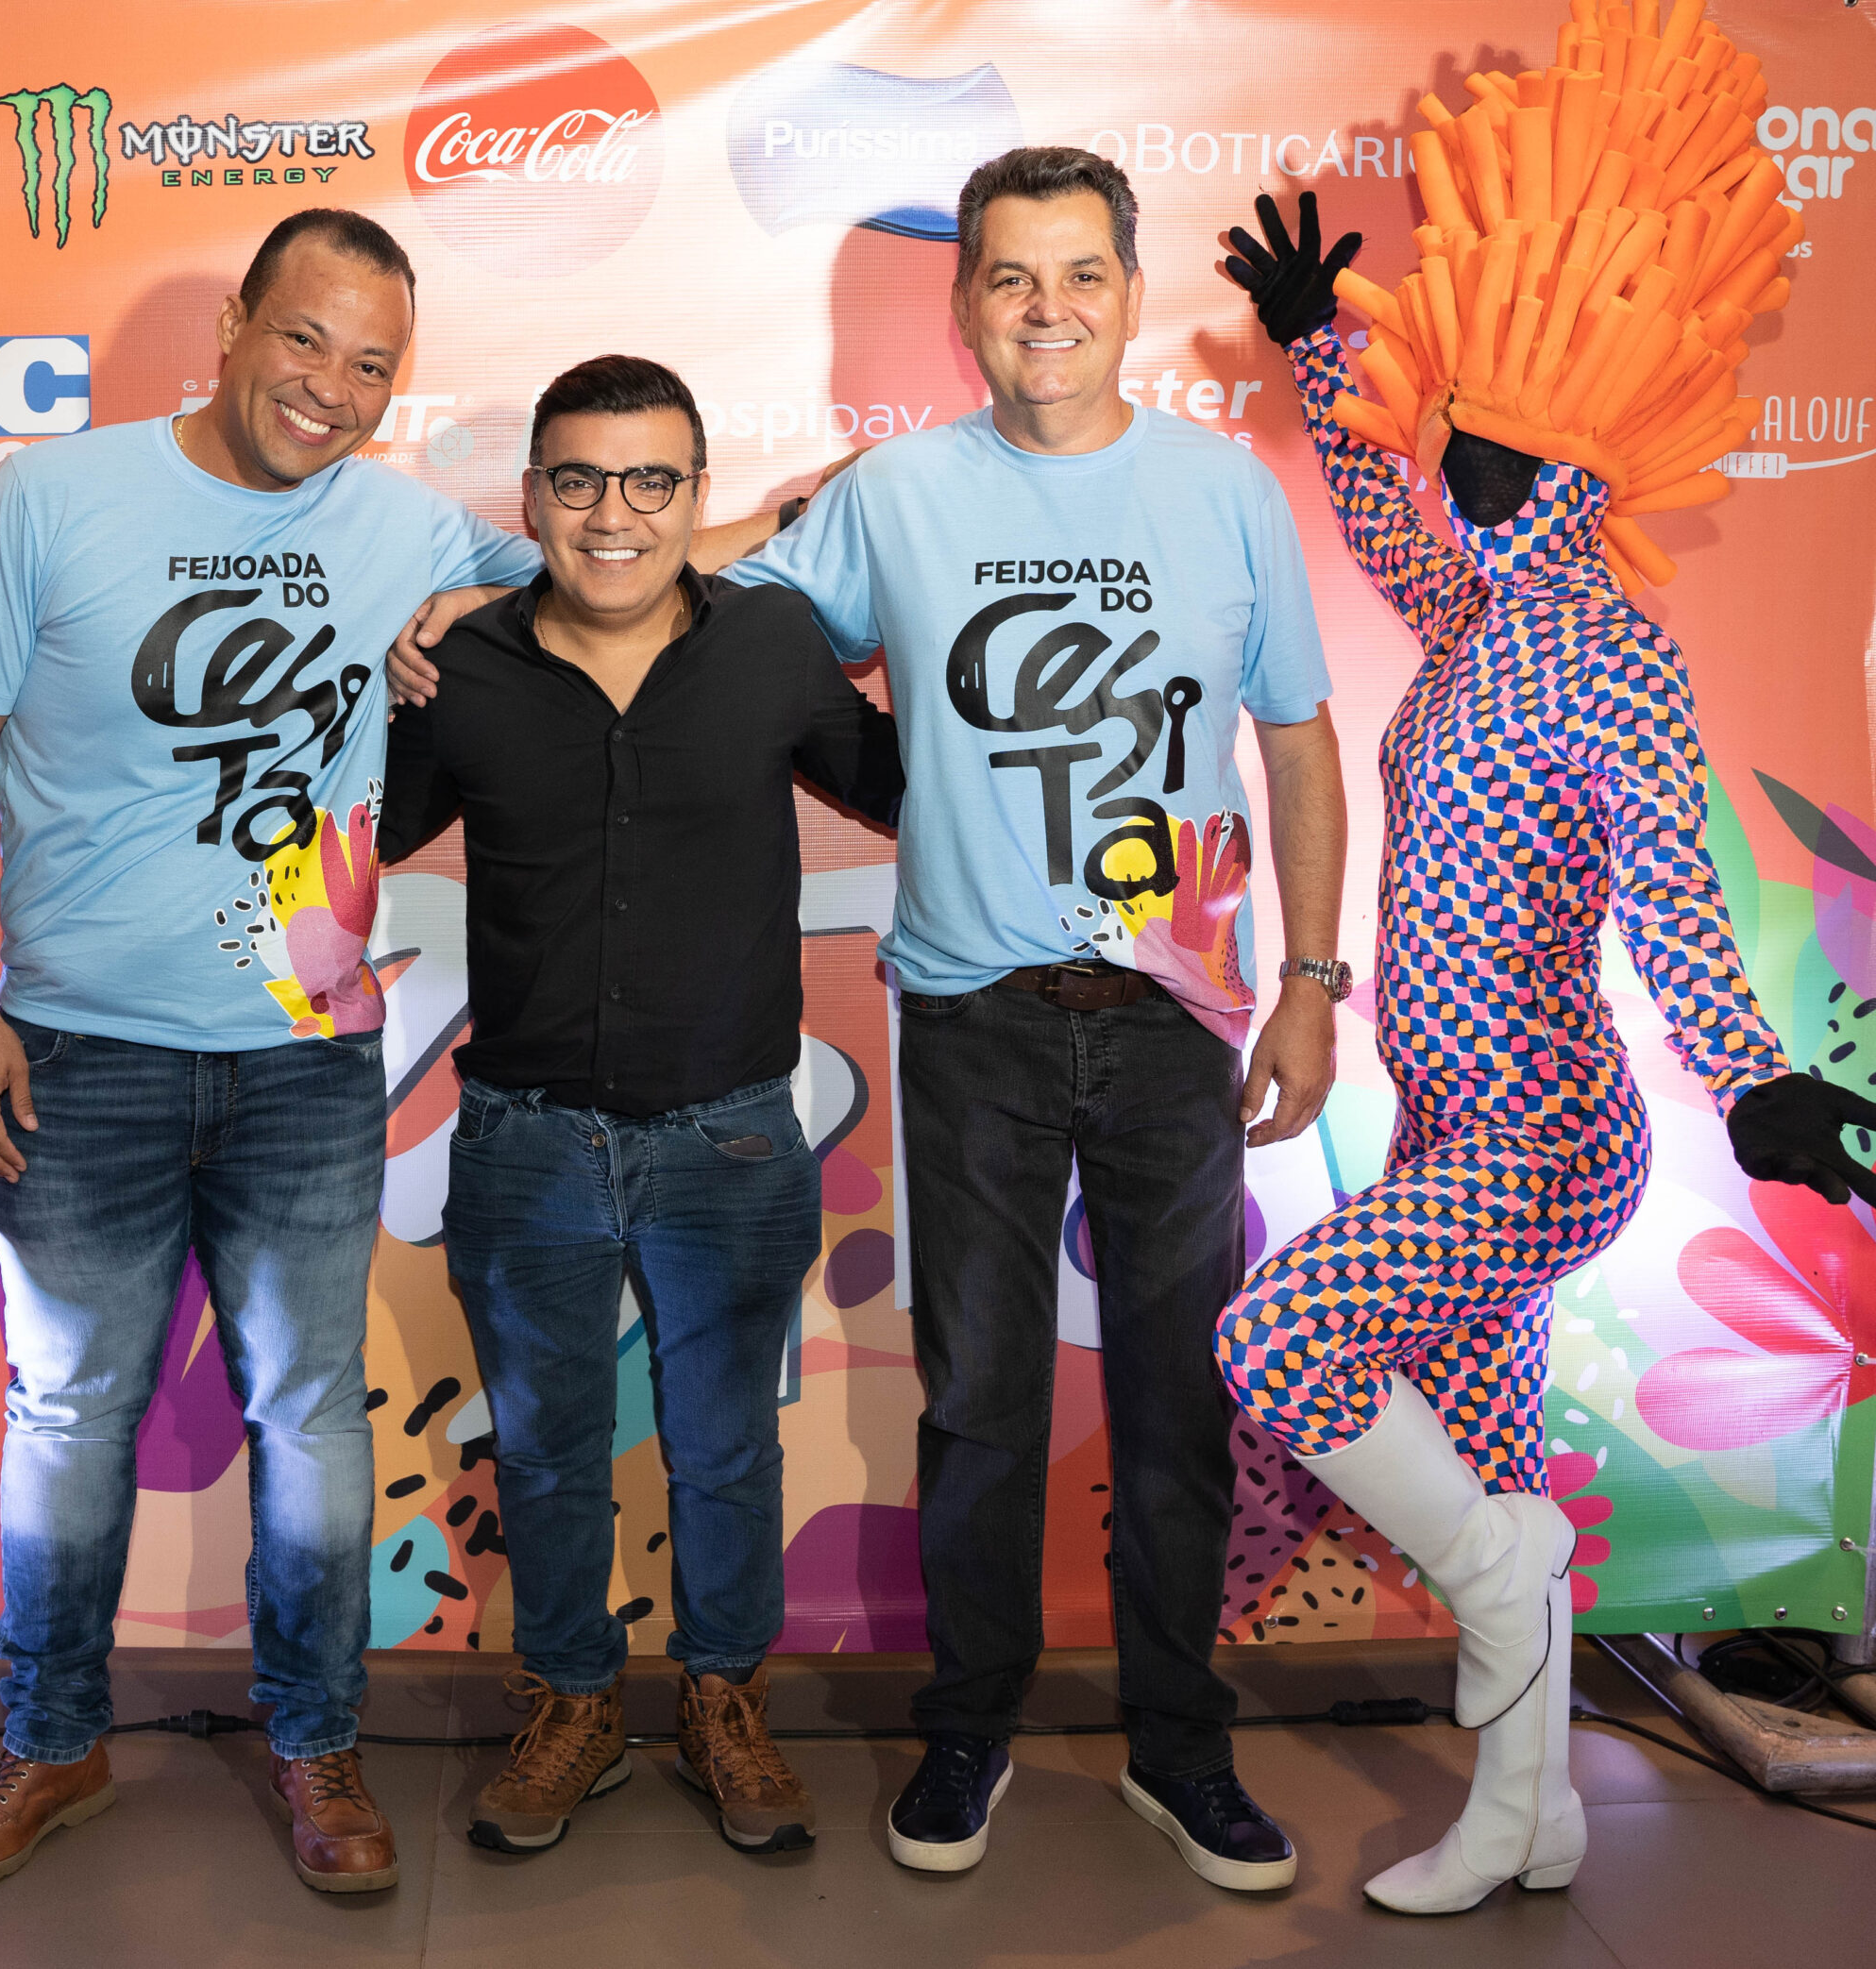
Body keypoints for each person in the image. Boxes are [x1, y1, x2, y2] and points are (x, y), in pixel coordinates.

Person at [1215, 37, 1876, 1912]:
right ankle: (1531, 1811)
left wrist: (1747, 1077)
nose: (1464, 465)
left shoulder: (1611, 652)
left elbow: (1670, 887)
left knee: (1277, 1339)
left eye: (1498, 448)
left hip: (1543, 1136)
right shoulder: (1468, 615)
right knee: (1491, 1447)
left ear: (1579, 462)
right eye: (1466, 439)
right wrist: (1318, 352)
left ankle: (1502, 1573)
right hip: (1448, 1123)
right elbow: (1378, 510)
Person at [684, 146, 1348, 1885]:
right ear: (966, 304)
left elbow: (1294, 741)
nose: (1047, 309)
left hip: (1180, 1014)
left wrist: (1310, 982)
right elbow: (726, 618)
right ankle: (968, 1726)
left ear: (1130, 295)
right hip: (972, 1013)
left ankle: (1179, 1749)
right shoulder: (900, 491)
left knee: (1180, 1396)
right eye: (1010, 277)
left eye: (1080, 275)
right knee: (979, 1394)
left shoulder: (1225, 491)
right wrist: (755, 519)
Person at [0, 209, 545, 1897]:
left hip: (307, 1059)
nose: (330, 386)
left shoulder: (407, 526)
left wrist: (828, 506)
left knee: (312, 1414)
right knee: (67, 1414)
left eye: (372, 365)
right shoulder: (50, 498)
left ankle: (318, 1744)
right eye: (305, 338)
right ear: (237, 324)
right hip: (75, 1052)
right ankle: (51, 1741)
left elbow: (612, 555)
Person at [379, 355, 904, 1858]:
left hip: (729, 1137)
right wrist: (375, 669)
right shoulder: (462, 666)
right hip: (525, 1137)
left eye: (651, 481)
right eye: (581, 481)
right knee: (545, 1450)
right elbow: (358, 830)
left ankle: (724, 1696)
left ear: (695, 495)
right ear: (533, 495)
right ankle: (574, 1701)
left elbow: (904, 788)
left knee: (726, 1448)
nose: (615, 514)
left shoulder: (773, 644)